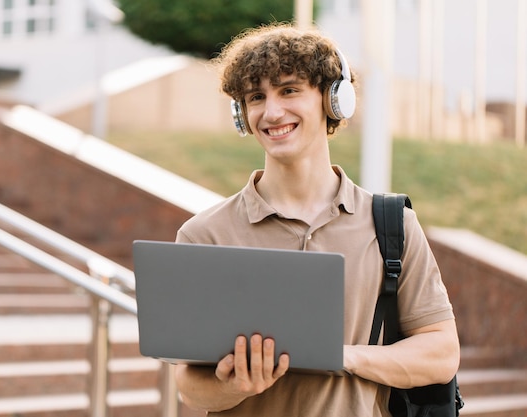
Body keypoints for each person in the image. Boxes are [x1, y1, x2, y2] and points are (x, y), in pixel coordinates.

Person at [173, 22, 460, 416]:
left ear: (332, 100)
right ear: (242, 114)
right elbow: (190, 389)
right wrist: (237, 385)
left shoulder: (391, 225)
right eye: (256, 97)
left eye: (289, 90)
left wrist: (343, 356)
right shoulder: (204, 235)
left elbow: (441, 353)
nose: (272, 112)